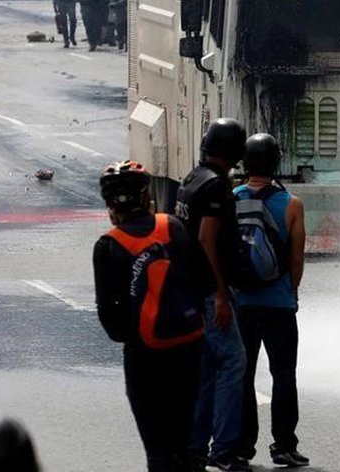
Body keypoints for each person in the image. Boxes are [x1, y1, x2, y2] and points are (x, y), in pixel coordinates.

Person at [93, 160, 205, 472]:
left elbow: (110, 320)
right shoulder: (172, 226)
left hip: (144, 356)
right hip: (188, 348)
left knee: (158, 451)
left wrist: (133, 331)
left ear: (110, 205)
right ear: (146, 197)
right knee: (184, 444)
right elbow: (204, 280)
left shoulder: (108, 246)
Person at [176, 118, 251, 472]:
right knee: (233, 362)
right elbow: (207, 239)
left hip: (190, 290)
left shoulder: (192, 179)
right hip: (209, 292)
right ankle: (222, 451)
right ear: (234, 151)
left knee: (205, 370)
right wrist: (221, 293)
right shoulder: (217, 187)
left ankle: (195, 449)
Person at [234, 133, 309, 468]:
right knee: (283, 373)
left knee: (243, 375)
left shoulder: (231, 198)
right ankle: (283, 445)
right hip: (278, 304)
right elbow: (296, 260)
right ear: (276, 163)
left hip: (242, 303)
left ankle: (242, 446)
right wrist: (291, 292)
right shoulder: (292, 205)